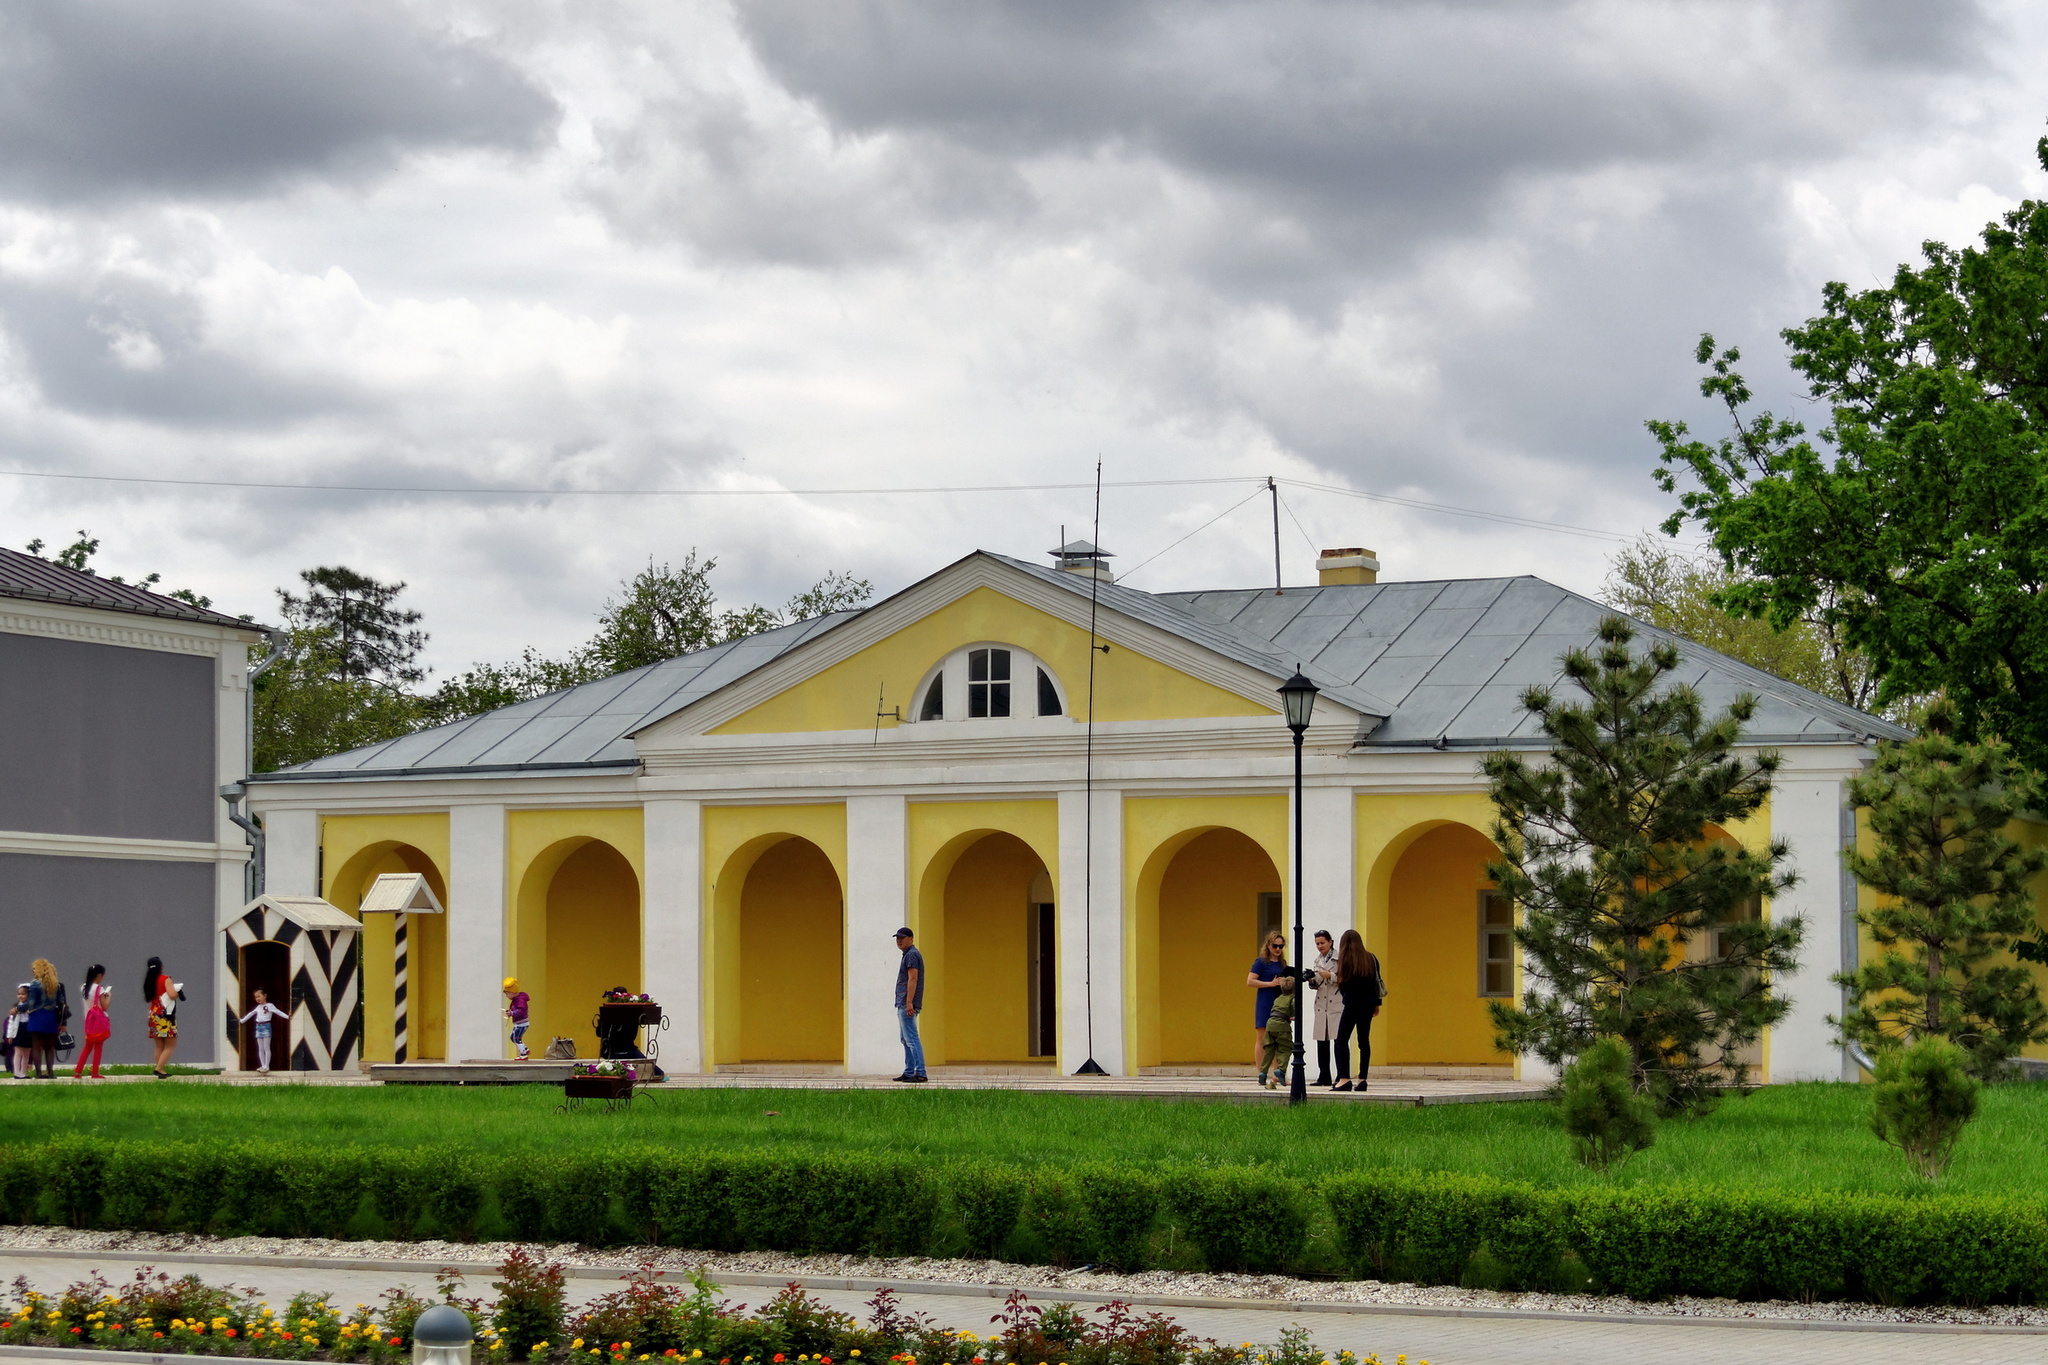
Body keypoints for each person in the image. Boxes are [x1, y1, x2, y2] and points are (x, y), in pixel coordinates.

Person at [1330, 928, 1386, 1093]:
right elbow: (1376, 982)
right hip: (1368, 1004)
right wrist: (1376, 1003)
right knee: (1363, 1041)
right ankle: (1362, 1079)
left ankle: (1344, 1078)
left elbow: (1344, 985)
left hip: (1352, 1004)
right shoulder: (1371, 958)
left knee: (1341, 1041)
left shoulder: (1346, 960)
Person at [1246, 931, 1293, 1075]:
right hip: (1265, 1001)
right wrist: (1270, 984)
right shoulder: (1261, 962)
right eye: (1275, 946)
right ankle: (1261, 1072)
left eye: (1281, 946)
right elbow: (1250, 981)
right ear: (1268, 946)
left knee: (1279, 1039)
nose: (1278, 949)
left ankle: (1278, 1073)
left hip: (1279, 1003)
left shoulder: (1282, 964)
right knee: (1262, 1037)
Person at [892, 926, 927, 1083]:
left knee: (911, 1038)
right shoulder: (908, 954)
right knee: (905, 1039)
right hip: (904, 1003)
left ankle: (920, 1072)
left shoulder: (911, 955)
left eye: (902, 938)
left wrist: (909, 1002)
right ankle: (909, 1071)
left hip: (907, 1003)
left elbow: (913, 978)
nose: (899, 940)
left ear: (911, 939)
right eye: (897, 938)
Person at [23, 959, 65, 1080]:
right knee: (49, 1047)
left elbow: (30, 1003)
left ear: (40, 969)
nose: (33, 971)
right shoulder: (55, 984)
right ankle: (50, 1072)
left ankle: (38, 1073)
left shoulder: (35, 984)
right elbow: (61, 1001)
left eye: (34, 968)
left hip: (37, 1016)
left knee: (36, 1046)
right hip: (51, 1017)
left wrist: (18, 1007)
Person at [1308, 929, 1340, 1086]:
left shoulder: (1340, 958)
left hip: (1336, 1002)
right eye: (1317, 944)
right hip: (1321, 1004)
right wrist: (1311, 980)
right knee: (1322, 1040)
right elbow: (1316, 984)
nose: (1320, 946)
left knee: (1338, 1040)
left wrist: (1331, 976)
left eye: (1322, 943)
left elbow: (1346, 978)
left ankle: (1341, 1075)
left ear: (1330, 942)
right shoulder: (1317, 960)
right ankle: (1324, 1075)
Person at [144, 957, 183, 1079]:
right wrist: (177, 991)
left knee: (159, 1045)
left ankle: (160, 1069)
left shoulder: (149, 980)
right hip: (165, 1014)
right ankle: (159, 1068)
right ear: (161, 967)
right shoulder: (165, 979)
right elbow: (172, 995)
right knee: (171, 1044)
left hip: (153, 1013)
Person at [1258, 974, 1299, 1090]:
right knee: (1285, 1048)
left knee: (1269, 1049)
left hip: (1270, 1024)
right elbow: (1294, 1010)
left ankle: (1263, 1072)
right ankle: (1281, 1070)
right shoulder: (1292, 998)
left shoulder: (1278, 998)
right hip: (1282, 1025)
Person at [73, 964, 111, 1080]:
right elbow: (104, 1006)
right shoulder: (100, 989)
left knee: (87, 1047)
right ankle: (95, 1072)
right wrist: (108, 996)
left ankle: (78, 1071)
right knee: (98, 1047)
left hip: (88, 1021)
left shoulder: (84, 987)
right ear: (99, 975)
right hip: (99, 1022)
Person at [239, 989, 289, 1074]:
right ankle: (263, 1065)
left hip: (266, 1026)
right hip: (259, 1026)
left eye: (259, 996)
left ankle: (267, 1066)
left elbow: (278, 1012)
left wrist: (287, 1016)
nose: (257, 998)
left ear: (265, 996)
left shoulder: (270, 1005)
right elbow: (251, 1013)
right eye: (256, 997)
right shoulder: (258, 1007)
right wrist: (242, 1020)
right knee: (260, 1048)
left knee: (266, 1047)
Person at [503, 977, 531, 1060]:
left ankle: (523, 1054)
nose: (506, 996)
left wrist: (512, 1013)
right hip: (519, 1023)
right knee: (513, 1037)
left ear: (512, 992)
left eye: (507, 994)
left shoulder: (520, 1001)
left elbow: (521, 1011)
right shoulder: (516, 1000)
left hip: (522, 1024)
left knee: (516, 1038)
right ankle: (525, 1049)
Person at [4, 985, 26, 1079]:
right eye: (19, 994)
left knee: (26, 1053)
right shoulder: (15, 1007)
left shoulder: (30, 1007)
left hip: (27, 1030)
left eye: (23, 994)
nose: (20, 996)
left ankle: (23, 1072)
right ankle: (17, 1072)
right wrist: (9, 1035)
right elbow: (11, 1022)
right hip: (18, 1031)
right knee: (18, 1052)